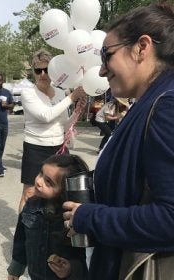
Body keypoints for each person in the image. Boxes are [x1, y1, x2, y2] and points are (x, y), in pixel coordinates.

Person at [63, 3, 174, 280]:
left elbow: (170, 218)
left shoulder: (166, 106)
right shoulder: (148, 102)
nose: (101, 71)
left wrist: (89, 217)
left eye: (107, 55)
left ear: (142, 48)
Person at [19, 49, 87, 212]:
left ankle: (53, 228)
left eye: (47, 69)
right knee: (30, 192)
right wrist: (71, 98)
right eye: (38, 70)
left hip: (58, 146)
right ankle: (23, 234)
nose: (43, 74)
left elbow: (63, 124)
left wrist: (78, 111)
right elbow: (46, 116)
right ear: (33, 72)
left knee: (61, 190)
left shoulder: (59, 92)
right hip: (36, 147)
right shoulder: (28, 93)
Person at [7, 154, 88, 280]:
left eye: (48, 182)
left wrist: (70, 270)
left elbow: (83, 256)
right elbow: (21, 238)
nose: (39, 182)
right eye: (41, 174)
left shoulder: (71, 217)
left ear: (64, 190)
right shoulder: (30, 205)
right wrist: (15, 268)